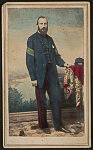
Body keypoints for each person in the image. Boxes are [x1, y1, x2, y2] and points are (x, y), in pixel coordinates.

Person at [26, 16, 70, 134]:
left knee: (56, 99)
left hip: (52, 74)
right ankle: (43, 126)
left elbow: (56, 56)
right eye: (41, 24)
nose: (44, 26)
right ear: (37, 25)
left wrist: (64, 63)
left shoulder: (50, 39)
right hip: (39, 76)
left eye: (45, 24)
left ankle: (58, 125)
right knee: (42, 102)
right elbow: (29, 60)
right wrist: (33, 78)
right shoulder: (31, 39)